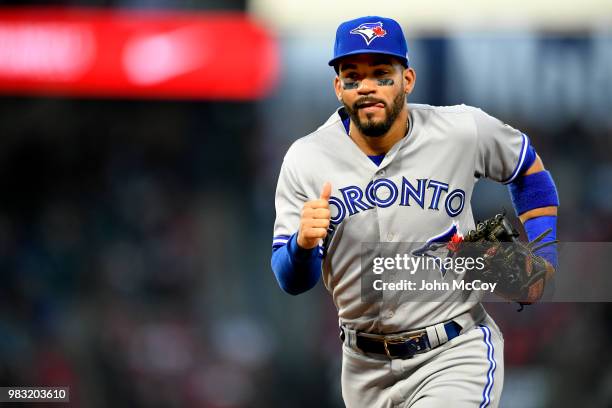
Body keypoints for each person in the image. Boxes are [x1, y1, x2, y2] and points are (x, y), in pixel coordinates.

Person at [271, 16, 559, 408]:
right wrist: (303, 246)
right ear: (338, 87)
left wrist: (545, 252)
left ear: (407, 79)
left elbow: (527, 168)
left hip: (453, 353)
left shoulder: (459, 130)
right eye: (353, 76)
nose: (367, 87)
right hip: (363, 368)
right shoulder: (307, 158)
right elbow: (291, 279)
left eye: (381, 74)